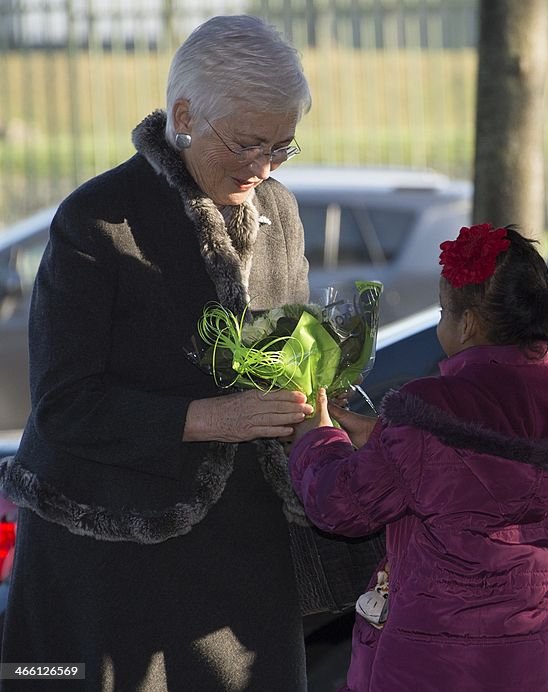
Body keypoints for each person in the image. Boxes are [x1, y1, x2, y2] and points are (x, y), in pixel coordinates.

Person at [0, 15, 381, 691]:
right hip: (108, 553)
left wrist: (326, 407)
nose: (262, 166)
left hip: (244, 553)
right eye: (248, 142)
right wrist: (207, 417)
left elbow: (284, 352)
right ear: (183, 115)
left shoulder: (281, 211)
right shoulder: (97, 218)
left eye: (283, 148)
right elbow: (63, 406)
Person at [288, 224, 548, 692]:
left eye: (444, 311)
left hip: (430, 660)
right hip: (529, 656)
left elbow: (341, 505)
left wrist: (315, 439)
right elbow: (482, 460)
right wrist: (386, 437)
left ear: (467, 324)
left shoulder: (430, 408)